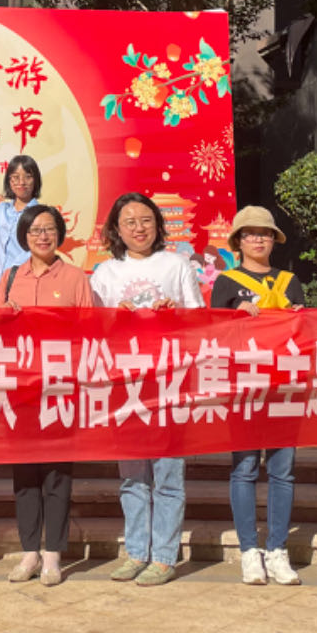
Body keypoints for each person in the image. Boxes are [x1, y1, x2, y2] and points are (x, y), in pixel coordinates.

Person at [89, 192, 204, 588]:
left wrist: (176, 315)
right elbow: (93, 331)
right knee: (133, 475)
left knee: (168, 473)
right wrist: (114, 319)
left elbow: (200, 321)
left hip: (170, 380)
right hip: (126, 384)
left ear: (157, 224)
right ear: (116, 230)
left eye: (145, 220)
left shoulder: (177, 265)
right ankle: (136, 552)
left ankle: (165, 557)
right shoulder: (105, 273)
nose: (138, 228)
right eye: (129, 222)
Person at [0, 203, 91, 586]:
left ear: (59, 234)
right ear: (24, 236)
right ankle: (30, 552)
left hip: (60, 388)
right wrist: (5, 315)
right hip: (20, 390)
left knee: (57, 474)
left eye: (49, 229)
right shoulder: (10, 277)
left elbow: (89, 332)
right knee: (25, 474)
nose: (42, 236)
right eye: (34, 230)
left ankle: (53, 555)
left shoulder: (75, 277)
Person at [210, 205, 301, 588]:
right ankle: (249, 550)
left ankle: (277, 549)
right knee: (245, 468)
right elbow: (213, 335)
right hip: (243, 388)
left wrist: (298, 316)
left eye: (264, 233)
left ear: (274, 240)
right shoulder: (226, 283)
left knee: (282, 471)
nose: (258, 239)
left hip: (283, 387)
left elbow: (302, 334)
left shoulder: (289, 281)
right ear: (238, 241)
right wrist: (235, 316)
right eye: (250, 234)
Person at [0, 154, 41, 283]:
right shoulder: (1, 210)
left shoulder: (40, 216)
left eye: (28, 177)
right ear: (9, 180)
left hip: (22, 282)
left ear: (36, 180)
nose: (21, 182)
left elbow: (33, 253)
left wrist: (7, 280)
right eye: (16, 177)